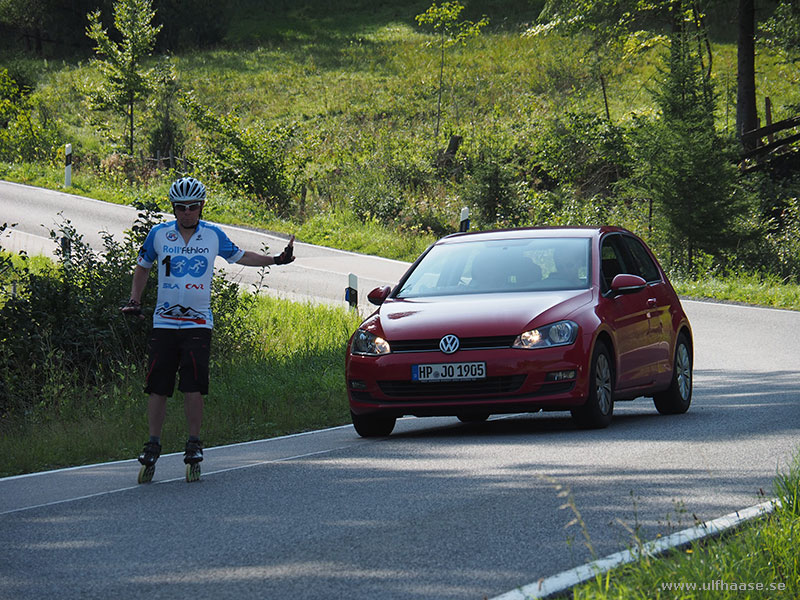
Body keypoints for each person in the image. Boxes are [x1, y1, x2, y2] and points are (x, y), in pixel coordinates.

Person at [121, 176, 295, 482]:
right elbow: (143, 266)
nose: (187, 212)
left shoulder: (213, 235)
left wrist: (277, 260)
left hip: (199, 323)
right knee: (158, 387)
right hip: (164, 322)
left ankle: (194, 442)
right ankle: (152, 443)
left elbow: (242, 256)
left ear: (201, 207)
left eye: (193, 207)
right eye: (181, 208)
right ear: (173, 209)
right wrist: (135, 299)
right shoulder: (158, 234)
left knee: (193, 386)